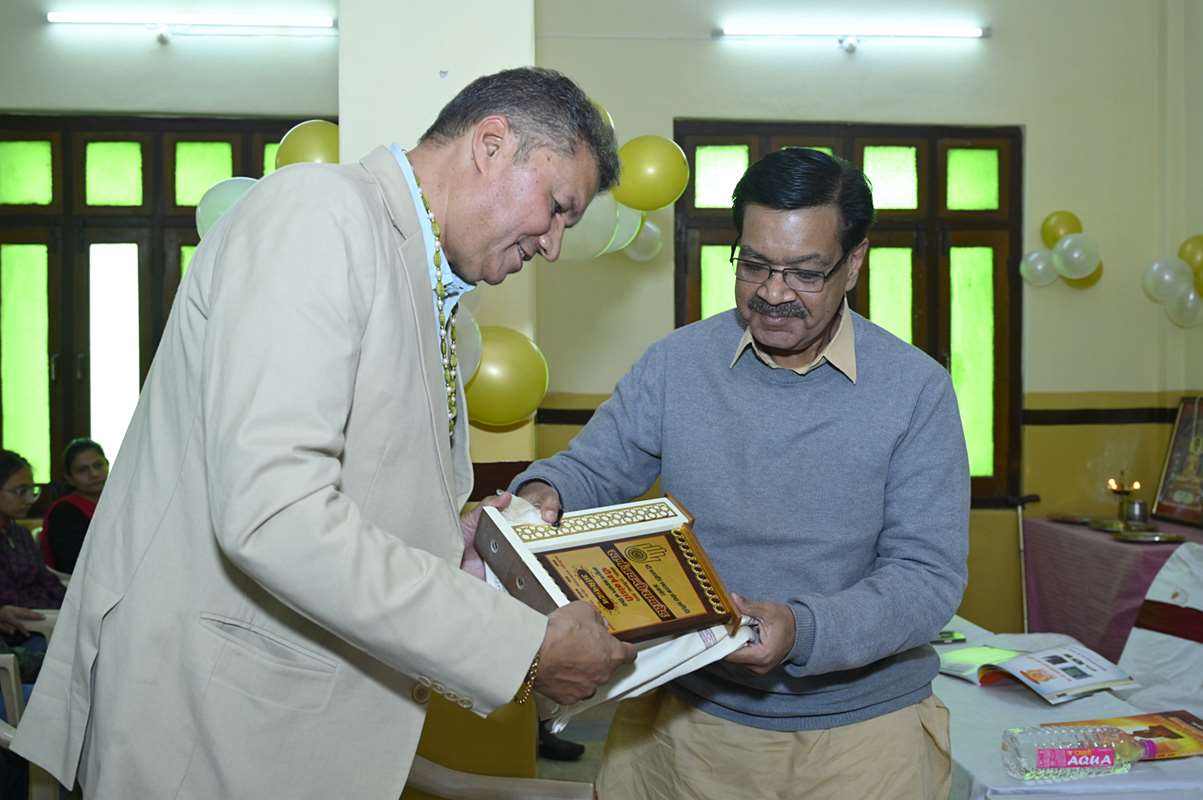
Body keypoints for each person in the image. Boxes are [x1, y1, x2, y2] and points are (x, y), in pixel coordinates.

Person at [14, 67, 635, 799]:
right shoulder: (319, 213)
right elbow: (276, 515)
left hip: (288, 729)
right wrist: (521, 646)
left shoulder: (420, 277)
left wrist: (456, 542)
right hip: (209, 727)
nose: (554, 245)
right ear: (492, 143)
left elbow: (344, 494)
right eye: (558, 208)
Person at [513, 147, 970, 799]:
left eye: (805, 273)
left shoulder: (915, 390)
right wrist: (543, 494)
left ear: (854, 263)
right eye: (753, 264)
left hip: (861, 738)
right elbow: (592, 469)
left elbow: (926, 579)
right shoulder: (677, 364)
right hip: (681, 726)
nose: (773, 293)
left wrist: (801, 629)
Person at [0, 450, 65, 631]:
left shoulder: (20, 534)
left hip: (48, 618)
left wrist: (76, 602)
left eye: (32, 491)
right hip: (22, 629)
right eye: (21, 491)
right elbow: (11, 598)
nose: (29, 500)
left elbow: (47, 580)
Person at [40, 438, 109, 573]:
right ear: (69, 478)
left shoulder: (117, 500)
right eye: (82, 470)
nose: (93, 474)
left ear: (107, 465)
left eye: (98, 465)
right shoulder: (64, 512)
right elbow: (73, 565)